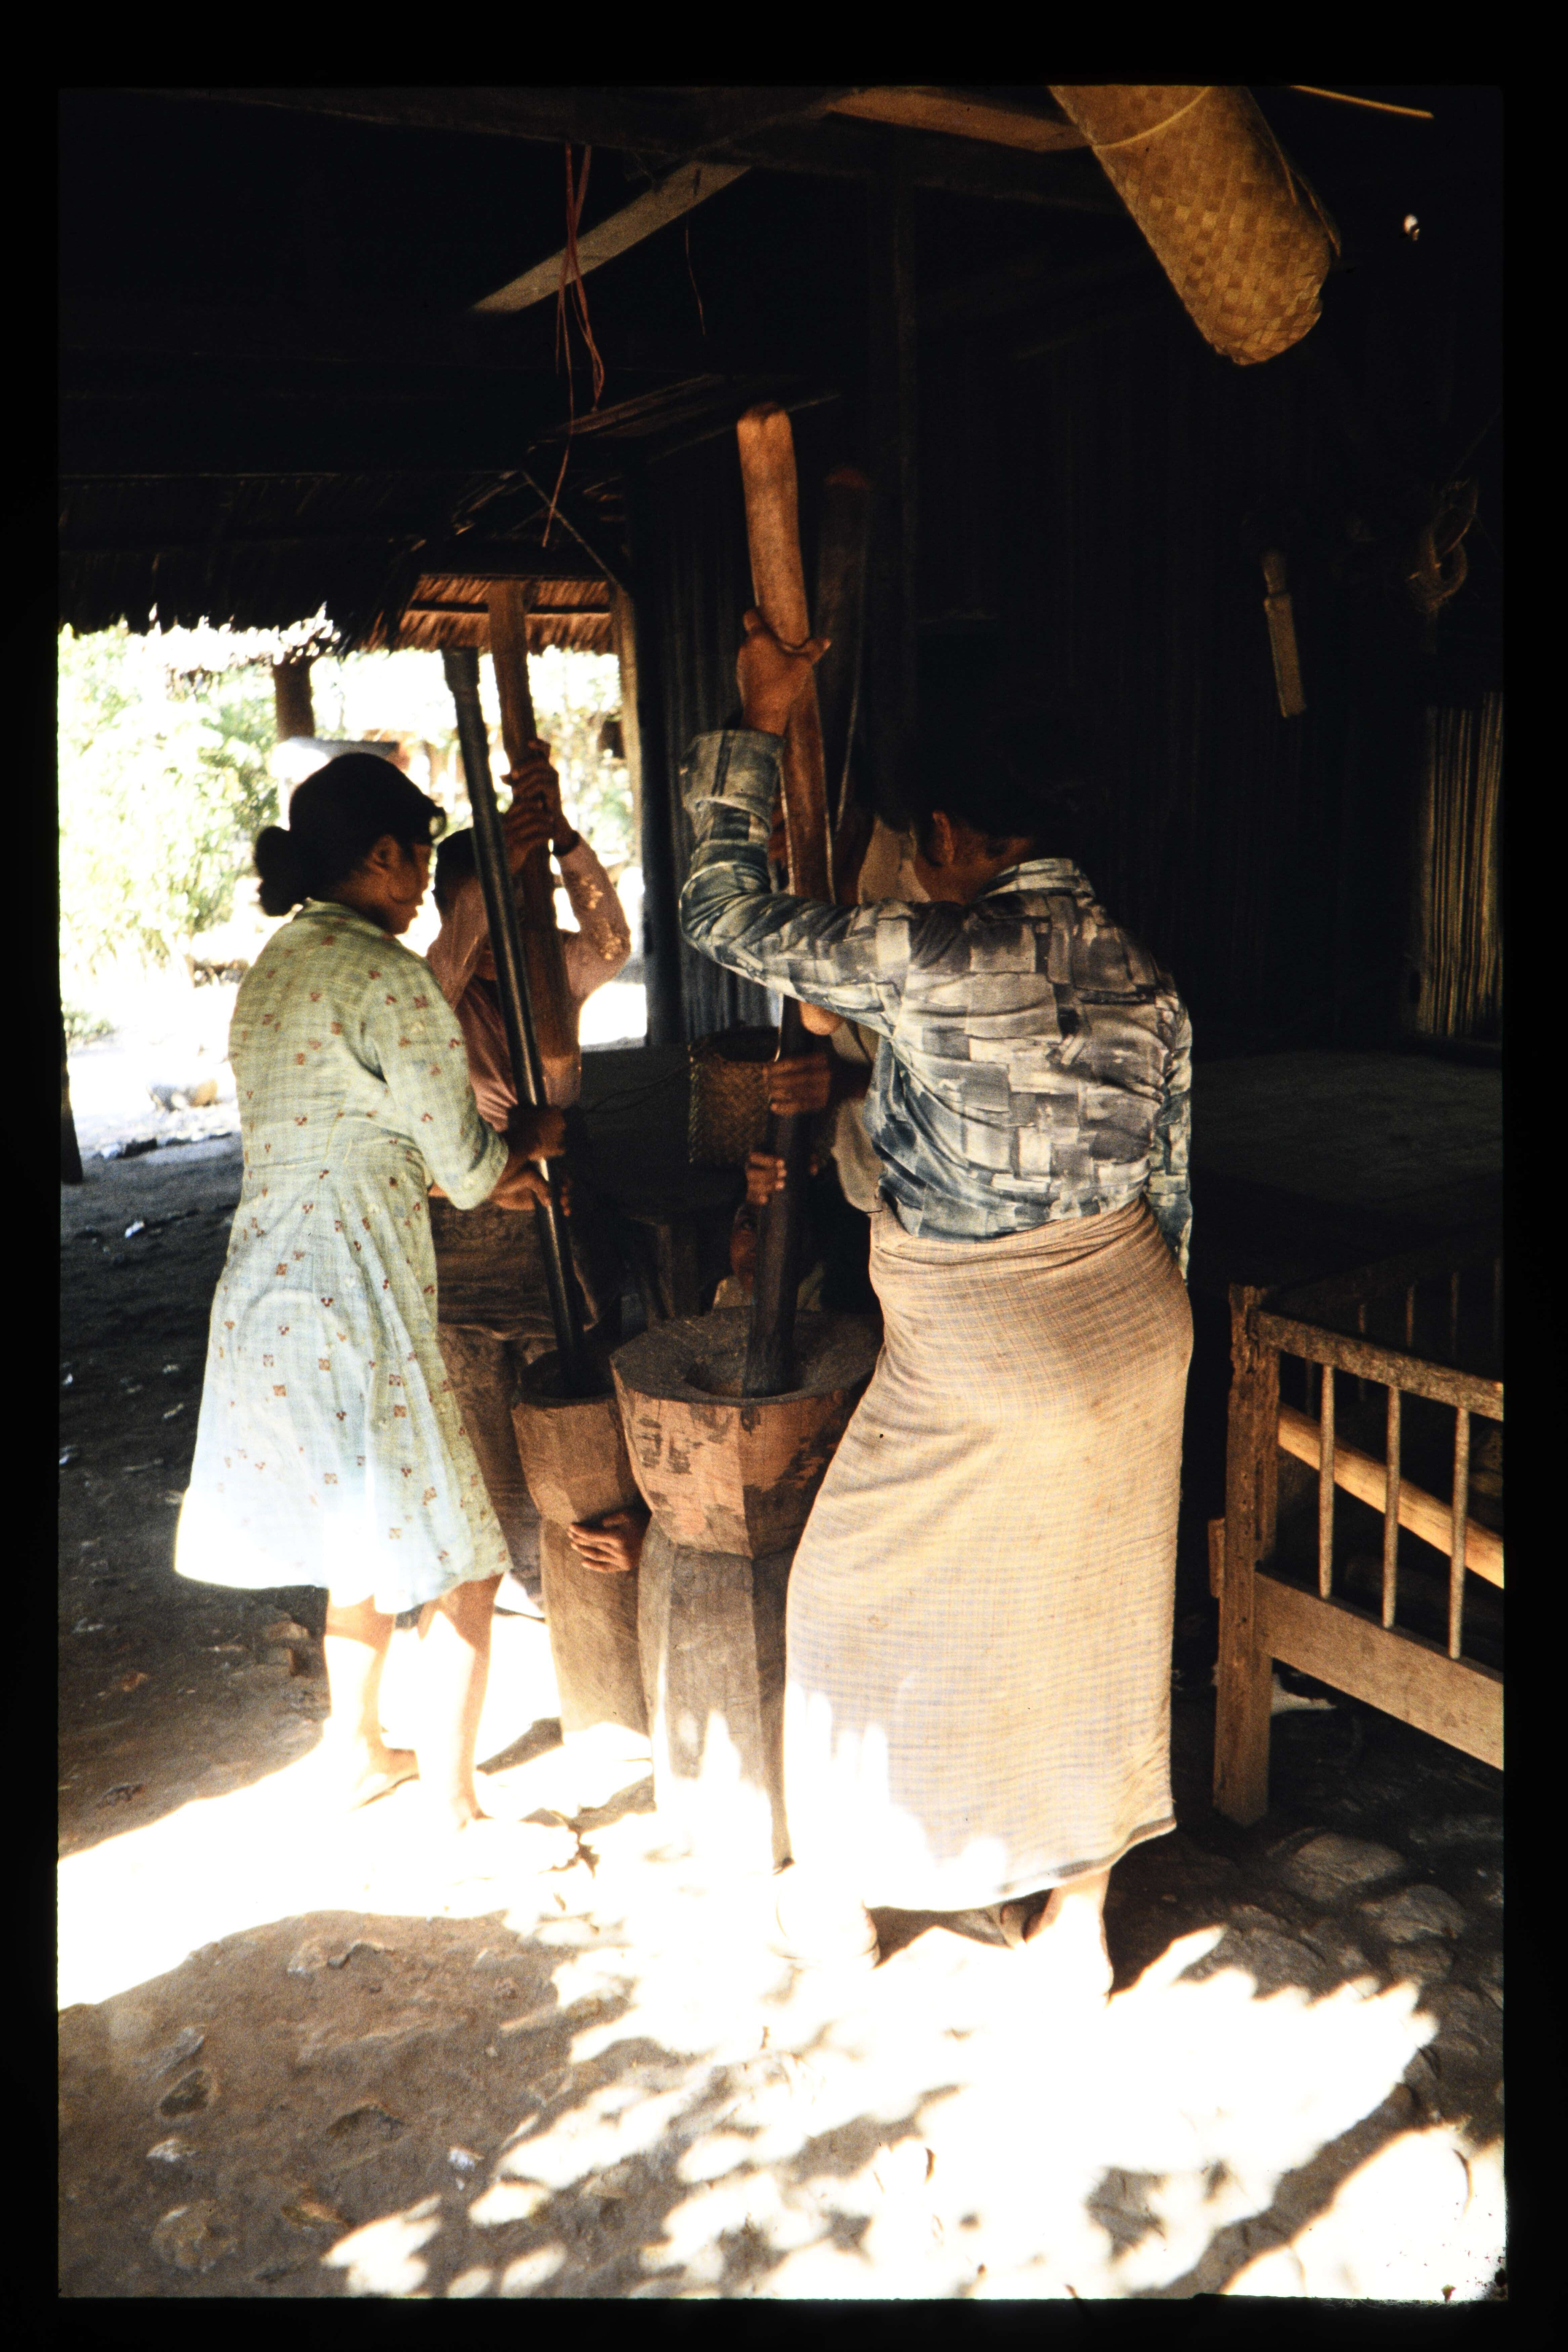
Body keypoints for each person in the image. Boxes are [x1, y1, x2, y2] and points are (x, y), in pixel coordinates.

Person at [679, 615, 1194, 1991]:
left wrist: (756, 721)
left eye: (916, 843)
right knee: (1093, 1609)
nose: (909, 864)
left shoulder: (930, 950)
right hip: (1139, 1325)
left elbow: (720, 915)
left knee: (847, 1594)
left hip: (984, 1341)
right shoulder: (1143, 975)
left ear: (957, 835)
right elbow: (1167, 1188)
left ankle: (839, 1896)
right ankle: (1073, 1922)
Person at [174, 755, 571, 1848]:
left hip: (267, 1289)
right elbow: (468, 1164)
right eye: (419, 857)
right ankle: (455, 1809)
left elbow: (354, 1128)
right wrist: (526, 1144)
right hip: (356, 1294)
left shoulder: (279, 966)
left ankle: (354, 1752)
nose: (423, 881)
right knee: (468, 1563)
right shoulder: (388, 977)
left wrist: (468, 1164)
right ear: (385, 854)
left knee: (357, 1532)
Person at [424, 742, 632, 1604]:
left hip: (556, 1211)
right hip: (463, 1226)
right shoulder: (431, 993)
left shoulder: (555, 968)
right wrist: (499, 874)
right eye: (480, 912)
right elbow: (455, 951)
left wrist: (566, 844)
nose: (497, 932)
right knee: (482, 1427)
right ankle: (514, 1578)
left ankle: (577, 1579)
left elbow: (614, 943)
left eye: (518, 906)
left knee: (570, 1403)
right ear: (453, 912)